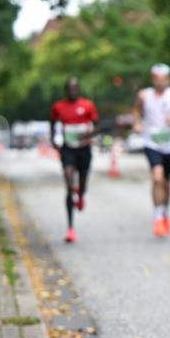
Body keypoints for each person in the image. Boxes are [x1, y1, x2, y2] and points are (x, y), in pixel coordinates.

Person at [133, 64, 170, 237]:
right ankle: (158, 217)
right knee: (157, 176)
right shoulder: (144, 95)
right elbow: (136, 112)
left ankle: (164, 211)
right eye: (157, 79)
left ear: (168, 80)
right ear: (152, 79)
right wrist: (137, 123)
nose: (160, 83)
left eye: (163, 79)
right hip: (151, 143)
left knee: (166, 183)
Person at [50, 78, 98, 243]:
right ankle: (70, 228)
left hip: (84, 150)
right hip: (68, 149)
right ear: (66, 90)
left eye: (75, 88)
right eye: (69, 88)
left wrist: (87, 137)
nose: (72, 91)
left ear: (78, 89)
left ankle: (81, 194)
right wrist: (53, 141)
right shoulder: (58, 107)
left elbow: (95, 126)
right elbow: (53, 123)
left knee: (82, 184)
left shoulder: (87, 105)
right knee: (69, 185)